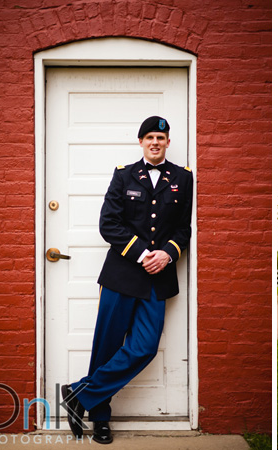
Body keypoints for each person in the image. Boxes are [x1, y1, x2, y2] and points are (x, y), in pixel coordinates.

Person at [61, 116, 193, 444]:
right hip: (121, 275)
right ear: (140, 142)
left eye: (160, 137)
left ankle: (78, 393)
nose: (155, 142)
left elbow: (183, 228)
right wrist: (141, 254)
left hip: (157, 278)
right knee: (106, 347)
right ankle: (100, 419)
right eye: (149, 136)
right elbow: (109, 224)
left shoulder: (183, 178)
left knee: (144, 347)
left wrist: (168, 253)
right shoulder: (123, 176)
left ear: (168, 141)